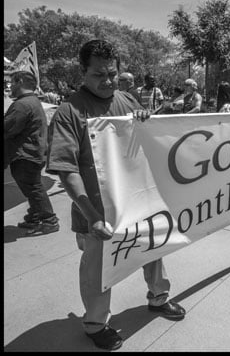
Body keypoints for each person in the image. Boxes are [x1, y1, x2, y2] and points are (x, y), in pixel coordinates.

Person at [45, 39, 186, 351]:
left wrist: (146, 121)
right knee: (98, 272)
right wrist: (91, 217)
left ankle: (158, 298)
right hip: (96, 214)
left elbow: (150, 142)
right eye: (98, 75)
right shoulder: (69, 112)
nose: (107, 81)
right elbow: (67, 170)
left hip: (138, 205)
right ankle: (95, 324)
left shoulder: (125, 99)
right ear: (82, 72)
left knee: (154, 252)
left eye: (112, 73)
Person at [4, 70, 60, 235]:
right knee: (32, 187)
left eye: (12, 83)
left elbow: (8, 127)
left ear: (20, 81)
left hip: (25, 155)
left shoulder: (22, 105)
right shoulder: (32, 101)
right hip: (32, 153)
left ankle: (49, 220)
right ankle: (34, 216)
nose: (10, 87)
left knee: (33, 188)